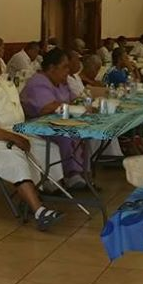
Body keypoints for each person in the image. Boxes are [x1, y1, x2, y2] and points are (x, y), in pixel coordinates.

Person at [0, 45, 66, 230]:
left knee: (48, 148)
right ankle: (39, 211)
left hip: (15, 131)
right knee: (16, 159)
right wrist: (16, 139)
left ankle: (38, 191)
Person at [20, 49, 91, 190]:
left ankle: (80, 172)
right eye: (64, 67)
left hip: (58, 122)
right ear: (51, 68)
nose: (68, 70)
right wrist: (71, 106)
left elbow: (73, 100)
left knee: (85, 132)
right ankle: (69, 174)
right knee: (66, 136)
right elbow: (46, 107)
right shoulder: (38, 82)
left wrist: (81, 104)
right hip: (37, 127)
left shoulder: (61, 82)